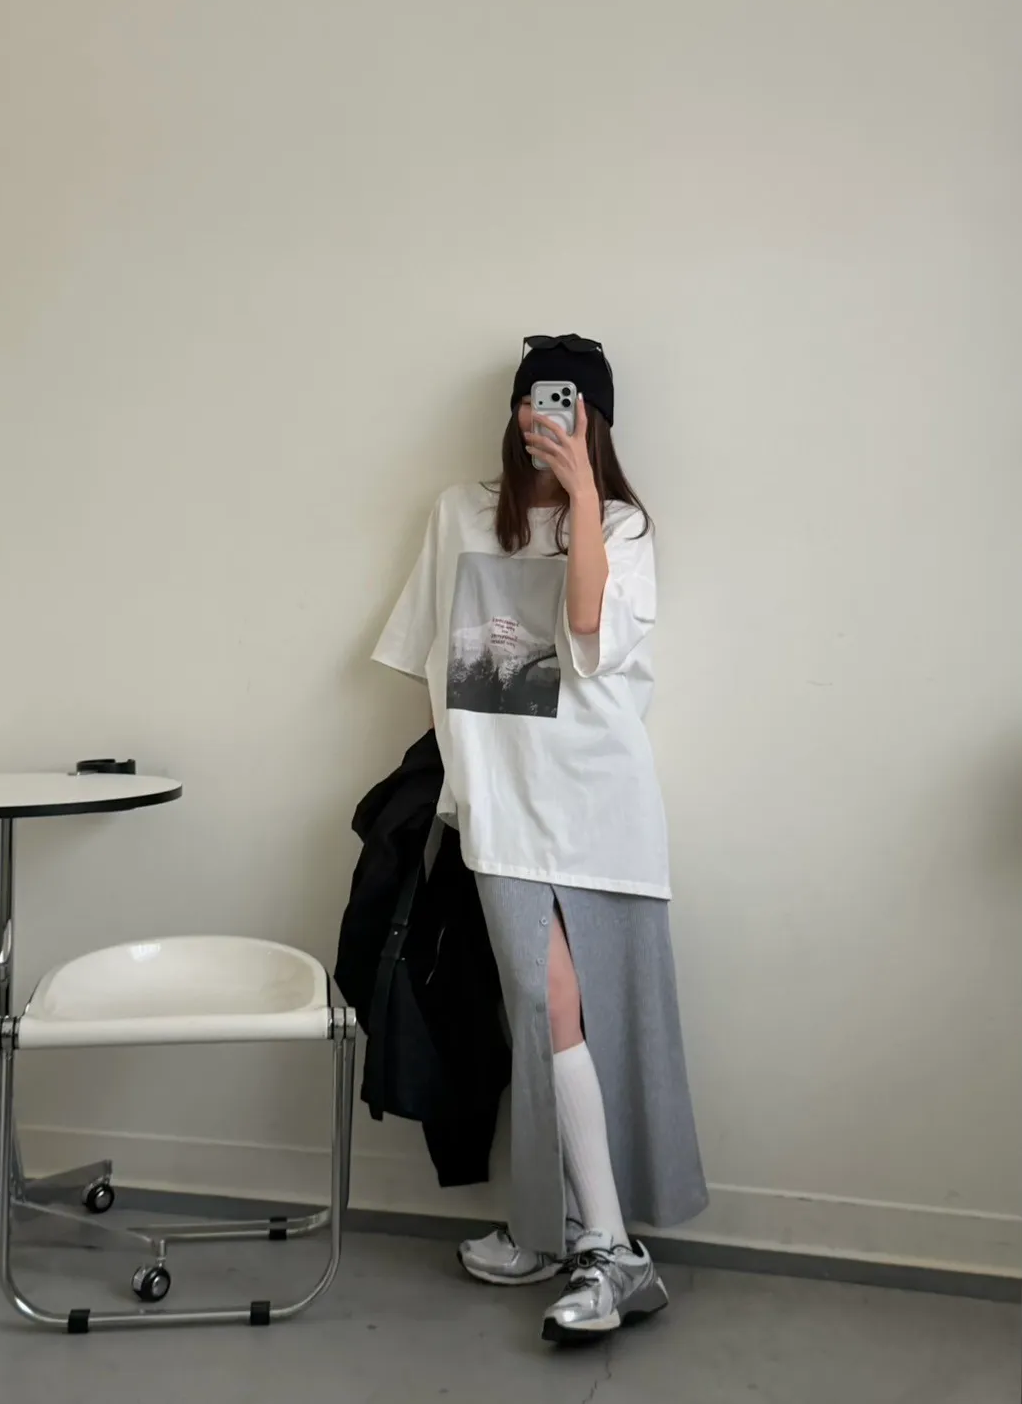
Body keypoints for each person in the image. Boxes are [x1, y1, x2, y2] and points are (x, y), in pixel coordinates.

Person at [373, 334, 707, 1345]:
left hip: (601, 806)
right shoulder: (458, 512)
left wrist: (584, 500)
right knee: (539, 1006)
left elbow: (592, 636)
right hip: (501, 808)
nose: (541, 414)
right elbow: (430, 657)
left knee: (593, 1015)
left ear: (592, 419)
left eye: (564, 401)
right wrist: (458, 787)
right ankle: (571, 1232)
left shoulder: (624, 526)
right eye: (530, 398)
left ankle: (595, 1241)